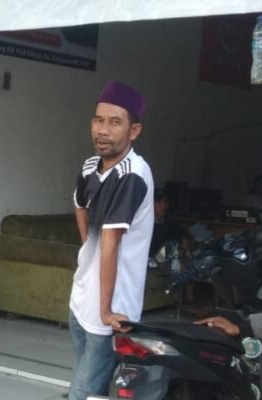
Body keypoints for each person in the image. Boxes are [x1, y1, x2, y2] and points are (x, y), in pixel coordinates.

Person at [69, 81, 154, 400]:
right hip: (81, 299)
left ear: (134, 131)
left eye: (115, 122)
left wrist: (105, 311)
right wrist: (85, 249)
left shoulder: (133, 174)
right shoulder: (90, 166)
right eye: (98, 120)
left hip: (112, 311)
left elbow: (111, 241)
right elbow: (79, 204)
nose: (103, 130)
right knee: (95, 388)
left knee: (83, 392)